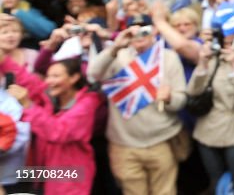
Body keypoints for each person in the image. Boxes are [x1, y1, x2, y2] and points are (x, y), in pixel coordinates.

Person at [90, 14, 187, 195]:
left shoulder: (169, 58)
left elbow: (181, 100)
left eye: (145, 30)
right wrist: (115, 47)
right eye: (134, 30)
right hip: (123, 145)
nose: (140, 35)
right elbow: (93, 74)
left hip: (161, 141)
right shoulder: (116, 57)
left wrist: (170, 98)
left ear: (154, 32)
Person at [7, 58, 103, 195]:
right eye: (48, 76)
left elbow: (59, 131)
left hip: (71, 176)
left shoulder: (86, 104)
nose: (49, 81)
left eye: (56, 76)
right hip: (44, 173)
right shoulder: (52, 98)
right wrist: (4, 61)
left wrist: (28, 105)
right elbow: (29, 81)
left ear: (74, 78)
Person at [188, 26, 234, 195]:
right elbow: (193, 91)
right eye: (226, 42)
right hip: (209, 130)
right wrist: (203, 62)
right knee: (218, 184)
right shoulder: (215, 60)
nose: (229, 45)